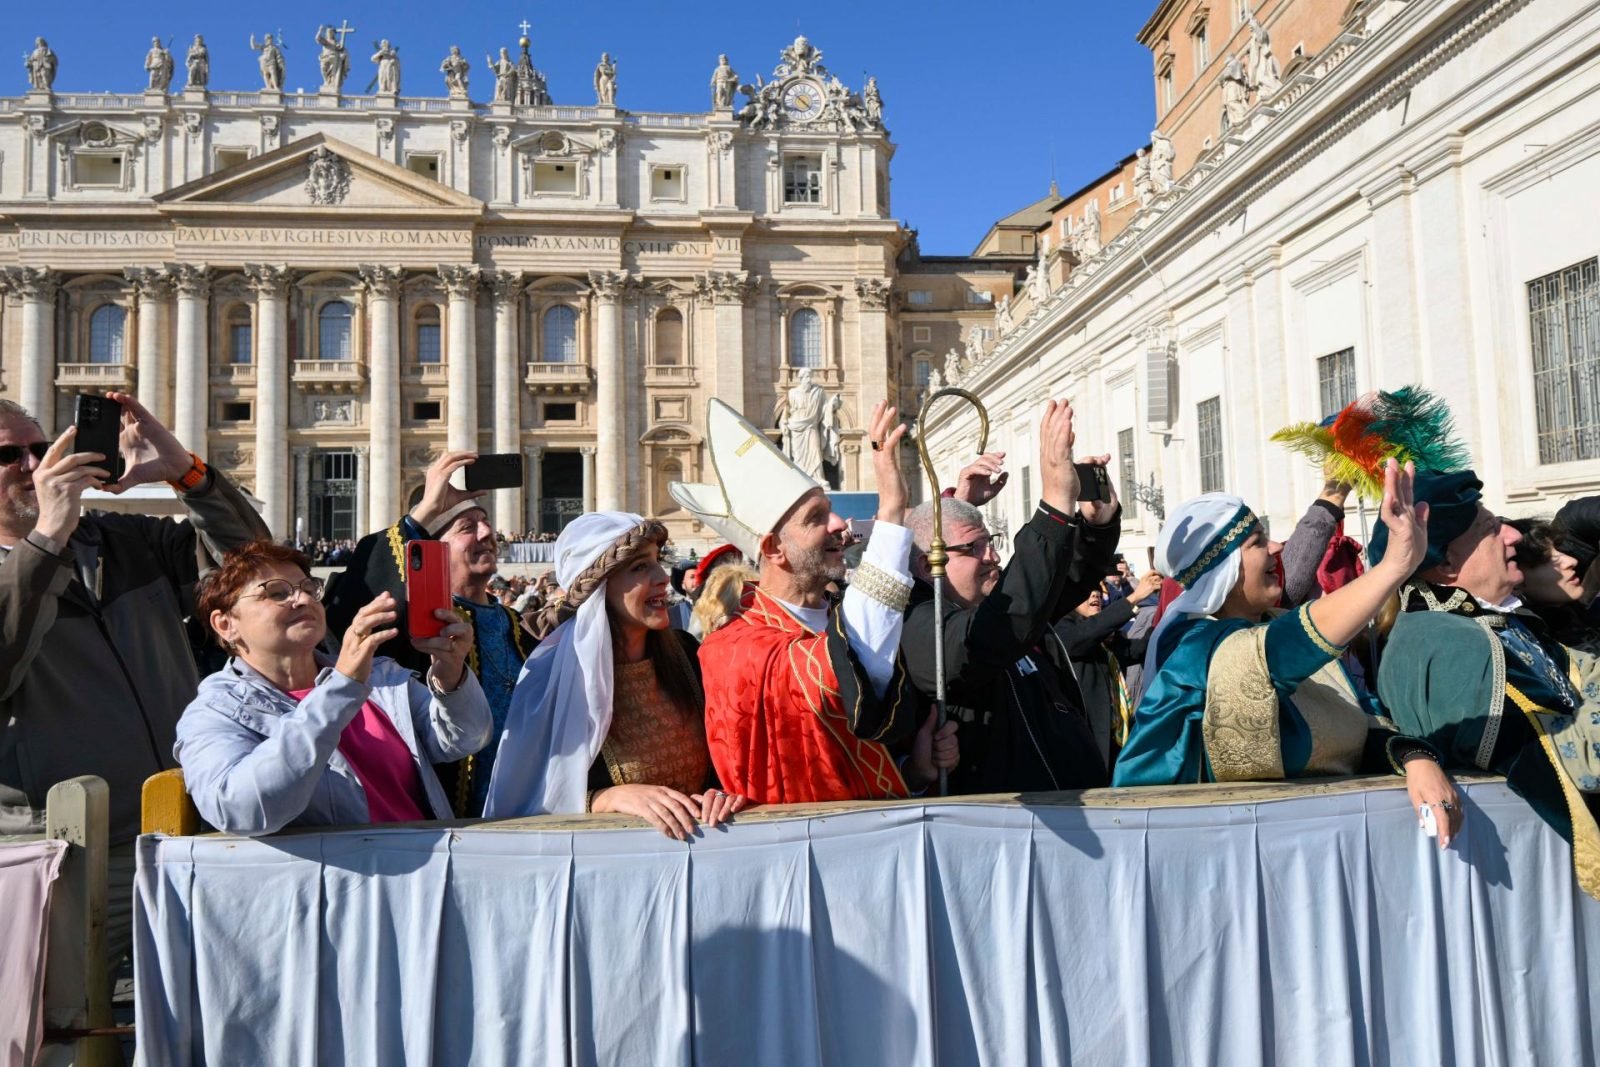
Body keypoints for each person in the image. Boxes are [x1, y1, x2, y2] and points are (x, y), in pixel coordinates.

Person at [0, 393, 269, 967]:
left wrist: (190, 476)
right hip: (59, 850)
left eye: (38, 449)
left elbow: (255, 568)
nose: (32, 466)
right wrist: (46, 539)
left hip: (178, 826)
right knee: (64, 1036)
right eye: (8, 455)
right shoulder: (43, 548)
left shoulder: (125, 540)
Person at [1113, 462, 1462, 850]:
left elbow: (1359, 716)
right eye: (1258, 542)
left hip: (1312, 847)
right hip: (1210, 852)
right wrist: (1393, 568)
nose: (1277, 547)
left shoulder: (1277, 623)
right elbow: (1277, 652)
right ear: (1222, 569)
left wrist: (1414, 757)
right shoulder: (1193, 644)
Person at [670, 398, 957, 803]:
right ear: (774, 549)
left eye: (832, 511)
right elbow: (844, 669)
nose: (839, 524)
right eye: (815, 517)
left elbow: (860, 745)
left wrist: (915, 771)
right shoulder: (733, 648)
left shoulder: (842, 613)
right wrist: (890, 513)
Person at [1377, 472, 1600, 897]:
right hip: (1523, 884)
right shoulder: (1447, 644)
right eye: (1490, 529)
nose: (1514, 536)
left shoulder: (1488, 623)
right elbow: (1583, 759)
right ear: (1445, 566)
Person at [175, 542, 489, 834]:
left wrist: (451, 675)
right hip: (336, 886)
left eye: (309, 588)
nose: (302, 599)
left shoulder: (376, 675)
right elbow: (243, 810)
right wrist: (341, 689)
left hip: (429, 873)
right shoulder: (214, 711)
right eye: (277, 593)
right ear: (225, 624)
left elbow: (464, 739)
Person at [902, 400, 1123, 794]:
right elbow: (998, 628)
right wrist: (1054, 503)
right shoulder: (918, 624)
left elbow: (1056, 581)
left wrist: (1094, 526)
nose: (992, 557)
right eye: (974, 549)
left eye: (991, 543)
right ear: (925, 566)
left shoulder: (987, 598)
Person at [485, 513, 749, 838]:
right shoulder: (554, 677)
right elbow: (525, 804)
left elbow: (726, 756)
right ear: (599, 588)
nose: (663, 577)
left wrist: (721, 792)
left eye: (657, 561)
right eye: (639, 567)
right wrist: (603, 799)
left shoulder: (686, 654)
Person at [324, 451, 532, 816]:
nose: (486, 533)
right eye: (467, 528)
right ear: (432, 551)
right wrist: (424, 512)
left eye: (485, 523)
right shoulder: (416, 629)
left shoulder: (518, 627)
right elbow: (349, 604)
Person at [1056, 571, 1162, 768]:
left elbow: (1135, 650)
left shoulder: (1104, 637)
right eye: (1086, 592)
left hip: (1115, 735)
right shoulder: (1061, 628)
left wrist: (1166, 616)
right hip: (1086, 739)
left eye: (1097, 590)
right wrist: (1134, 598)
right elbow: (1081, 639)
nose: (1094, 594)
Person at [1506, 518, 1600, 655]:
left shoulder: (1578, 616)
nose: (1571, 561)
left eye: (1559, 550)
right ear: (1515, 582)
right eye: (1545, 559)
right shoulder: (1537, 649)